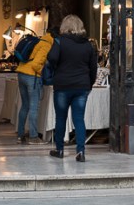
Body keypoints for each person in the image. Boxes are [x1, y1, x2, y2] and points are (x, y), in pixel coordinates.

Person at [45, 14, 97, 162]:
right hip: (82, 86)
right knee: (79, 119)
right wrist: (90, 84)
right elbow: (93, 67)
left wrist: (56, 68)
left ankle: (59, 149)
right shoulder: (88, 45)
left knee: (61, 118)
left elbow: (51, 58)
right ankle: (80, 151)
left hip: (63, 85)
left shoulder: (59, 41)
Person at [15, 28, 54, 144]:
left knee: (25, 105)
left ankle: (20, 135)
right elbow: (36, 64)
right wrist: (44, 73)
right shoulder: (46, 45)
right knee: (33, 107)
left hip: (21, 73)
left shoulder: (39, 41)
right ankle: (33, 137)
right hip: (32, 76)